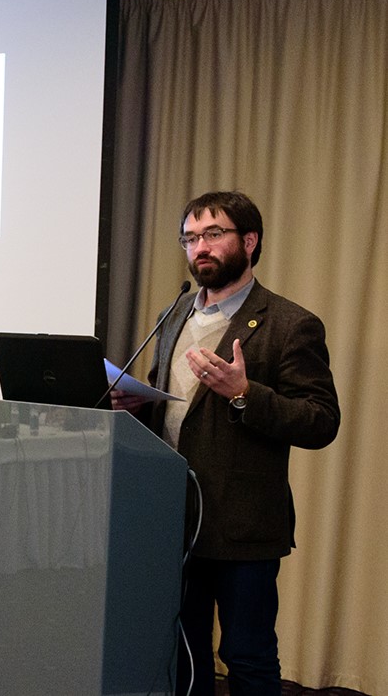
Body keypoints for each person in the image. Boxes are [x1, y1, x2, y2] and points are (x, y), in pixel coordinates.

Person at [111, 191, 339, 696]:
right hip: (173, 518)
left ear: (249, 241)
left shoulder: (290, 324)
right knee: (182, 654)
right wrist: (136, 403)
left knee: (247, 656)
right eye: (190, 238)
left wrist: (245, 393)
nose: (200, 248)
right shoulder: (174, 316)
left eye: (213, 234)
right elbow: (176, 409)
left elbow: (321, 420)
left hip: (243, 525)